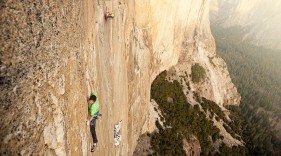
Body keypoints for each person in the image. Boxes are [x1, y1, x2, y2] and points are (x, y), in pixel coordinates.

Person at [86, 78, 99, 152]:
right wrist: (89, 80)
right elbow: (92, 88)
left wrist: (88, 120)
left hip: (95, 113)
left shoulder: (93, 107)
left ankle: (95, 142)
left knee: (92, 128)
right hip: (96, 112)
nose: (89, 101)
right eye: (89, 100)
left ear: (93, 102)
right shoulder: (93, 95)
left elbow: (92, 116)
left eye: (90, 101)